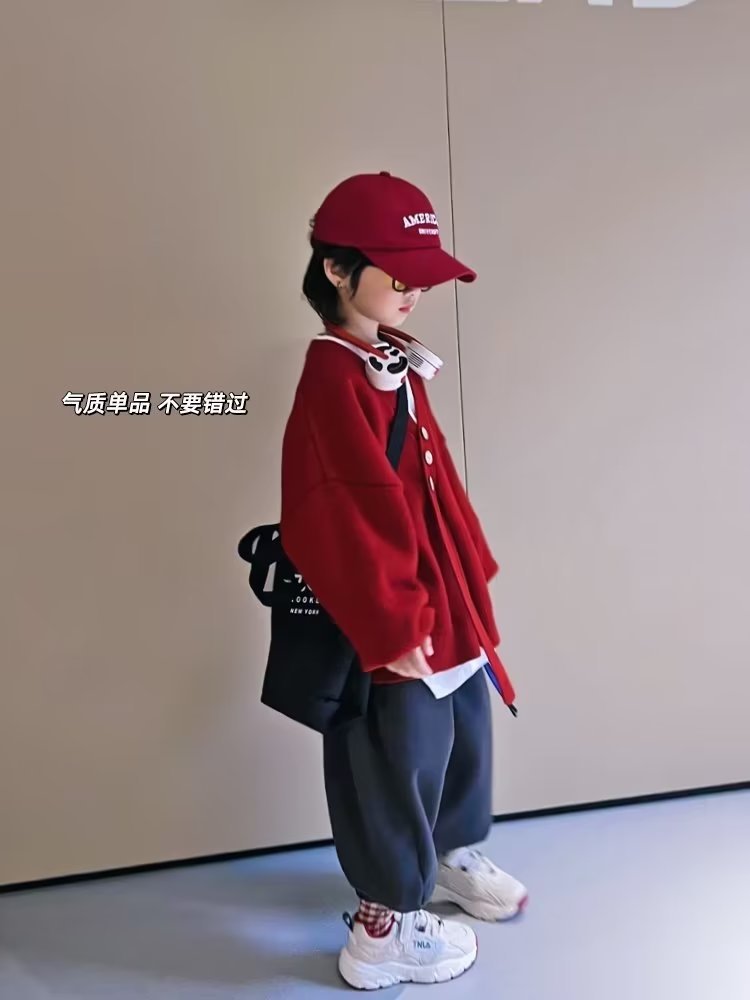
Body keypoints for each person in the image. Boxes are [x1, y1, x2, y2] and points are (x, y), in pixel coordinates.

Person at [279, 171, 528, 991]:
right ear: (338, 270)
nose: (414, 290)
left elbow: (434, 478)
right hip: (389, 604)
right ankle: (384, 925)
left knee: (461, 730)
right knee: (393, 753)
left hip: (435, 590)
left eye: (423, 275)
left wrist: (468, 579)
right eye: (398, 274)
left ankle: (445, 856)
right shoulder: (333, 372)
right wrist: (390, 618)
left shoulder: (391, 358)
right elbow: (338, 509)